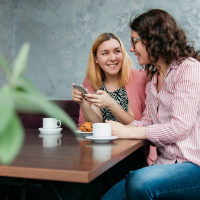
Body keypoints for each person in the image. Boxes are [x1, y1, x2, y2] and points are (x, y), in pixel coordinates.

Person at [101, 9, 200, 200]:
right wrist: (117, 128)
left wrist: (129, 132)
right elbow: (147, 123)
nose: (130, 49)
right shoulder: (153, 80)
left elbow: (179, 128)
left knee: (139, 182)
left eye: (134, 41)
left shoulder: (189, 68)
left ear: (154, 39)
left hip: (194, 164)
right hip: (165, 163)